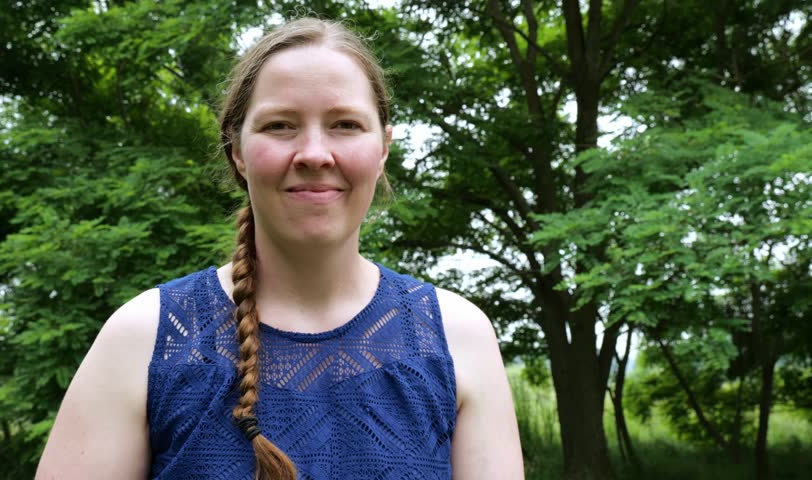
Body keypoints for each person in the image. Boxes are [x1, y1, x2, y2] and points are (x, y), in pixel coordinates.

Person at [36, 17, 523, 480]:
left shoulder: (459, 340)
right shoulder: (144, 340)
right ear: (237, 151)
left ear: (384, 148)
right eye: (280, 125)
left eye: (346, 125)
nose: (313, 153)